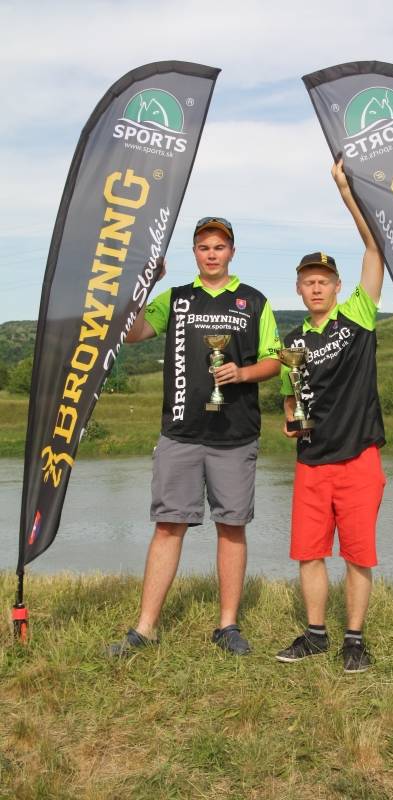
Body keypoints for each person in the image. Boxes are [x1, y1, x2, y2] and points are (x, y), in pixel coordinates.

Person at [108, 217, 280, 656]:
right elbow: (133, 333)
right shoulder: (177, 298)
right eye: (204, 247)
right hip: (180, 433)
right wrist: (146, 285)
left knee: (232, 528)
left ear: (232, 251)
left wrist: (242, 373)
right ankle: (144, 629)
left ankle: (227, 626)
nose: (212, 254)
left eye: (219, 246)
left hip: (236, 434)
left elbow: (274, 361)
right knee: (168, 527)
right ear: (195, 253)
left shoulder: (254, 301)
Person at [276, 160, 386, 673]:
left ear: (339, 285)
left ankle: (354, 641)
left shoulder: (359, 314)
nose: (316, 288)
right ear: (299, 290)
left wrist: (346, 190)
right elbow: (290, 399)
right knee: (309, 552)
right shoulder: (291, 342)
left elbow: (374, 248)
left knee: (359, 554)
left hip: (359, 457)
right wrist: (289, 419)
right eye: (308, 282)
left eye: (323, 280)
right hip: (311, 461)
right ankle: (316, 635)